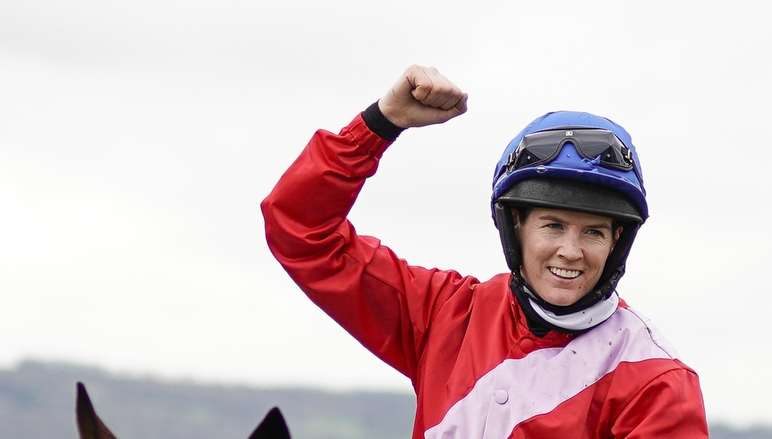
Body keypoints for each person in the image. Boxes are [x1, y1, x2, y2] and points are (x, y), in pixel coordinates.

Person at [261, 65, 708, 438]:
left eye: (593, 232)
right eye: (553, 226)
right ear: (516, 226)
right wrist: (381, 123)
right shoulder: (445, 314)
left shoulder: (657, 382)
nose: (571, 251)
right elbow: (301, 229)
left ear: (616, 241)